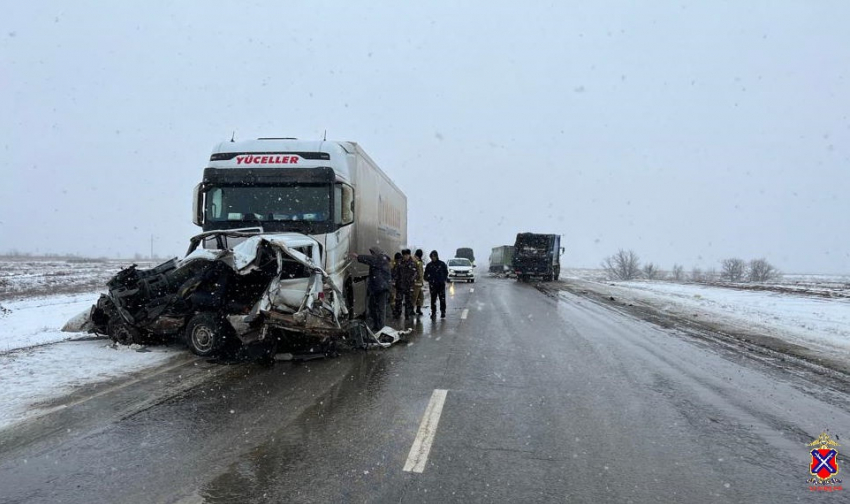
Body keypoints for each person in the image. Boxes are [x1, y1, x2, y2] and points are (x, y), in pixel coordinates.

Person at [351, 247, 392, 332]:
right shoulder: (381, 260)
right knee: (373, 307)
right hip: (378, 288)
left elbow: (370, 259)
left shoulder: (380, 259)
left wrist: (358, 257)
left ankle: (381, 328)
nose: (372, 255)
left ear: (376, 253)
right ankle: (377, 326)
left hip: (381, 288)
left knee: (380, 308)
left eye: (373, 253)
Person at [423, 250, 449, 319]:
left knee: (442, 299)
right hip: (433, 285)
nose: (433, 258)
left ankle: (443, 312)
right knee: (433, 299)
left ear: (437, 256)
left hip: (441, 285)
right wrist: (430, 280)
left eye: (434, 256)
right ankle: (433, 312)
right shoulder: (429, 265)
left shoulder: (442, 264)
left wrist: (443, 279)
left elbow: (446, 273)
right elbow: (425, 275)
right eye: (432, 257)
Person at [394, 249, 418, 319]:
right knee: (398, 300)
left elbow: (415, 274)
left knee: (408, 301)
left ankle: (408, 314)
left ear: (409, 255)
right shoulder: (399, 263)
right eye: (404, 255)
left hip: (408, 285)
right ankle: (398, 313)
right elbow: (395, 272)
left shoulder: (412, 263)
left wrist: (411, 281)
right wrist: (395, 279)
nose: (405, 256)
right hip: (400, 285)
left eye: (407, 255)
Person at [412, 249, 425, 315]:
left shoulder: (419, 261)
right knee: (415, 297)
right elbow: (416, 271)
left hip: (419, 282)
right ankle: (412, 309)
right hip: (416, 283)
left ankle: (418, 309)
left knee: (420, 296)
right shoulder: (415, 261)